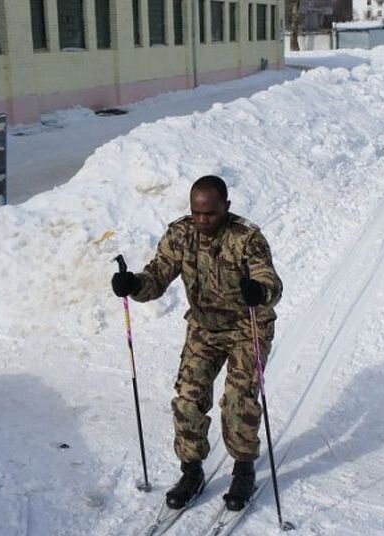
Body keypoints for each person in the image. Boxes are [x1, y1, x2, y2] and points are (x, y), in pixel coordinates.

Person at [111, 175, 282, 512]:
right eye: (197, 213)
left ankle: (243, 469)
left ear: (226, 208)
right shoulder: (181, 234)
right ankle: (191, 471)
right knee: (188, 398)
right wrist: (132, 284)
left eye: (211, 214)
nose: (202, 221)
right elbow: (157, 276)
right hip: (204, 327)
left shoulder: (246, 238)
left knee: (237, 400)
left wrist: (258, 292)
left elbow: (271, 282)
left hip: (247, 327)